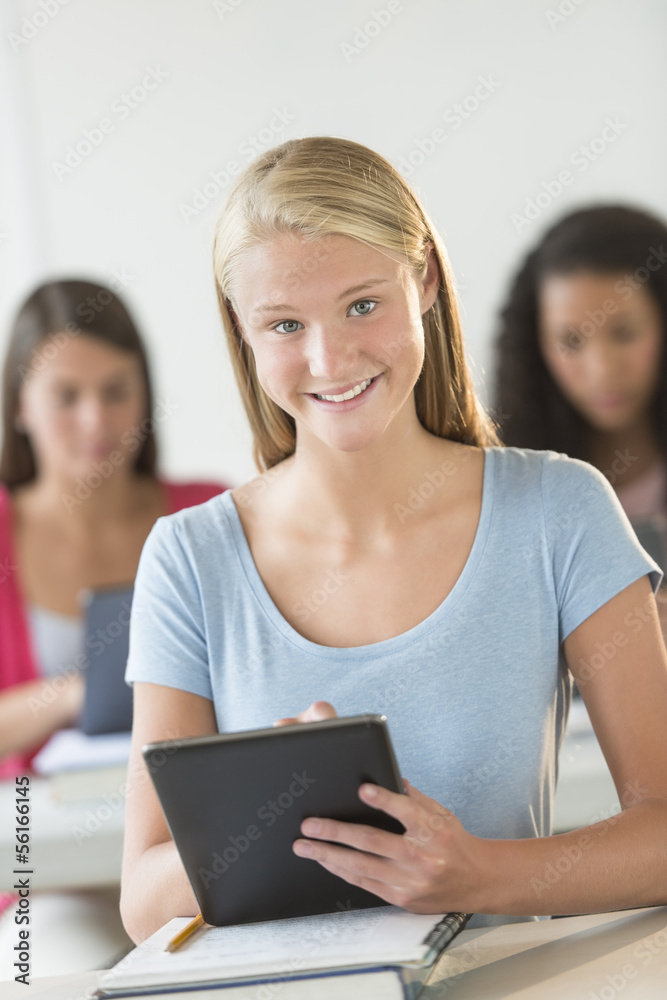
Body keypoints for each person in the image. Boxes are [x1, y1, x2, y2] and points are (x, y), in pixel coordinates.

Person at [120, 139, 667, 945]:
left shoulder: (559, 510)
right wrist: (261, 815)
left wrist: (477, 873)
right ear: (240, 328)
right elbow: (141, 901)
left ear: (425, 282)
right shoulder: (187, 559)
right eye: (282, 323)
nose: (328, 358)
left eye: (363, 305)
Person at [0, 278, 228, 976]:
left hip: (198, 845)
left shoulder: (211, 515)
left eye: (116, 391)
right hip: (51, 870)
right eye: (66, 397)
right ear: (19, 408)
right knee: (38, 970)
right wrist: (83, 691)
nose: (96, 420)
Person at [494, 205, 667, 573]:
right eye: (571, 341)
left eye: (624, 334)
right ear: (534, 346)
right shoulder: (498, 485)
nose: (602, 370)